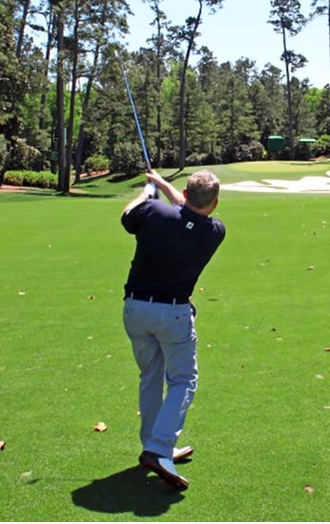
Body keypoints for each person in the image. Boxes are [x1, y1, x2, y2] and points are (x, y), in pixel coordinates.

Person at [120, 169, 226, 491]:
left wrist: (148, 190)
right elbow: (188, 211)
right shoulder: (215, 231)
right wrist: (163, 185)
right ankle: (158, 448)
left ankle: (154, 446)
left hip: (135, 310)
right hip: (173, 314)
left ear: (185, 191)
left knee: (150, 377)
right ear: (216, 203)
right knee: (183, 380)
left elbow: (128, 215)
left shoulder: (154, 211)